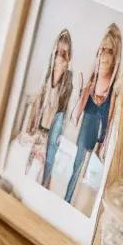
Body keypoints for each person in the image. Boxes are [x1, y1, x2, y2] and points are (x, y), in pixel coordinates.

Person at [64, 24, 122, 203]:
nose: (104, 55)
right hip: (84, 137)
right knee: (76, 168)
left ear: (115, 58)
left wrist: (103, 147)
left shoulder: (114, 95)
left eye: (109, 51)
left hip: (100, 153)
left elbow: (112, 127)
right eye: (102, 50)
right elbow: (74, 118)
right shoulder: (88, 88)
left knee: (90, 183)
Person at [25, 29, 74, 187]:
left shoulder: (68, 83)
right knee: (28, 171)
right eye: (58, 52)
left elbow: (63, 114)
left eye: (64, 54)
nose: (60, 57)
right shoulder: (45, 76)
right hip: (38, 131)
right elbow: (37, 103)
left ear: (68, 58)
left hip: (51, 137)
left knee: (43, 176)